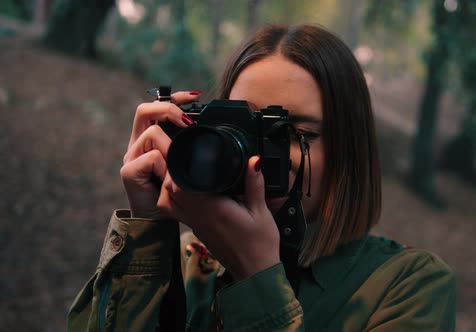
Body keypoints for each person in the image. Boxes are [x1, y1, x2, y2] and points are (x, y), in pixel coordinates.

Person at [67, 24, 455, 331]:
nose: (259, 153)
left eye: (294, 133)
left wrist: (256, 274)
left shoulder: (407, 286)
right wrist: (149, 233)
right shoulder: (188, 264)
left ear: (348, 152)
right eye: (245, 128)